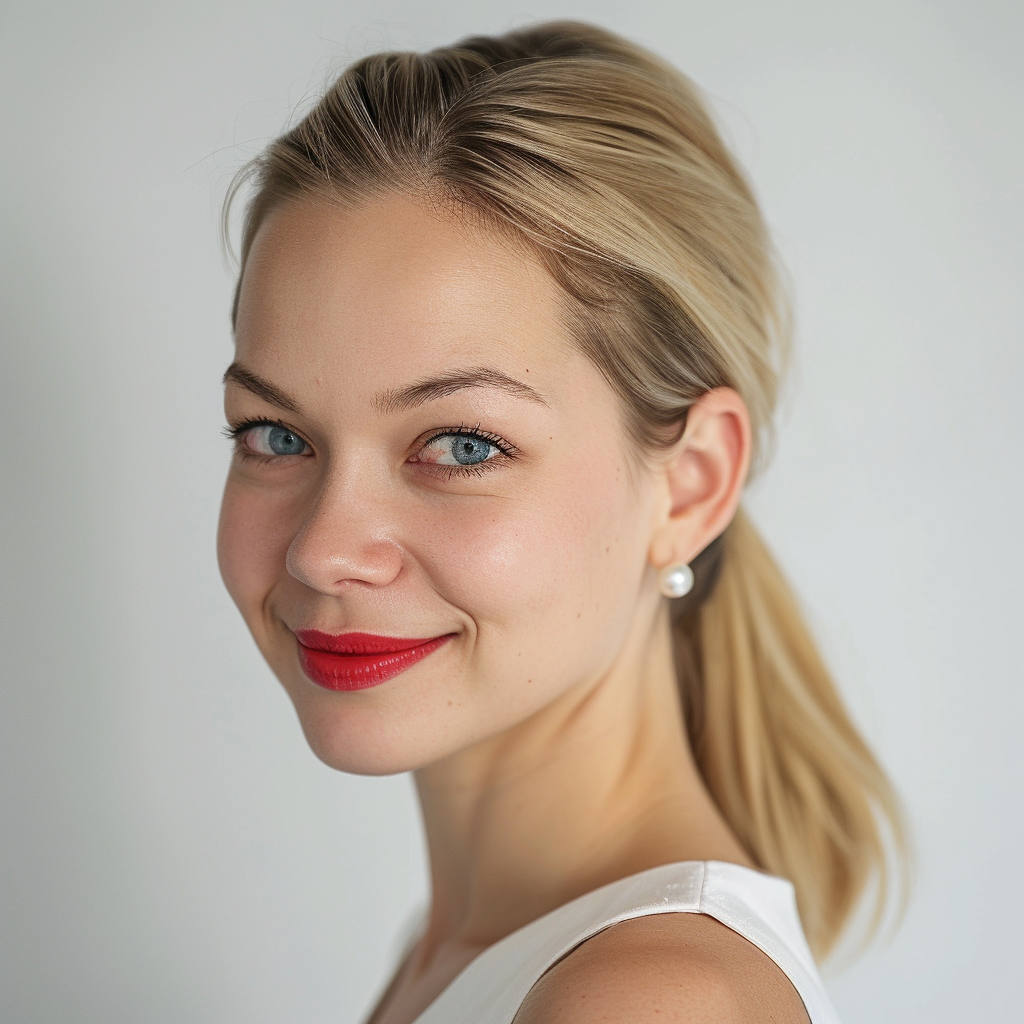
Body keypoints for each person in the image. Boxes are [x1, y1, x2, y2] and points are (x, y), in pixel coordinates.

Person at [217, 20, 906, 1024]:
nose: (321, 547)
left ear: (690, 484)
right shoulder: (467, 952)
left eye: (460, 444)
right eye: (277, 435)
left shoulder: (647, 1001)